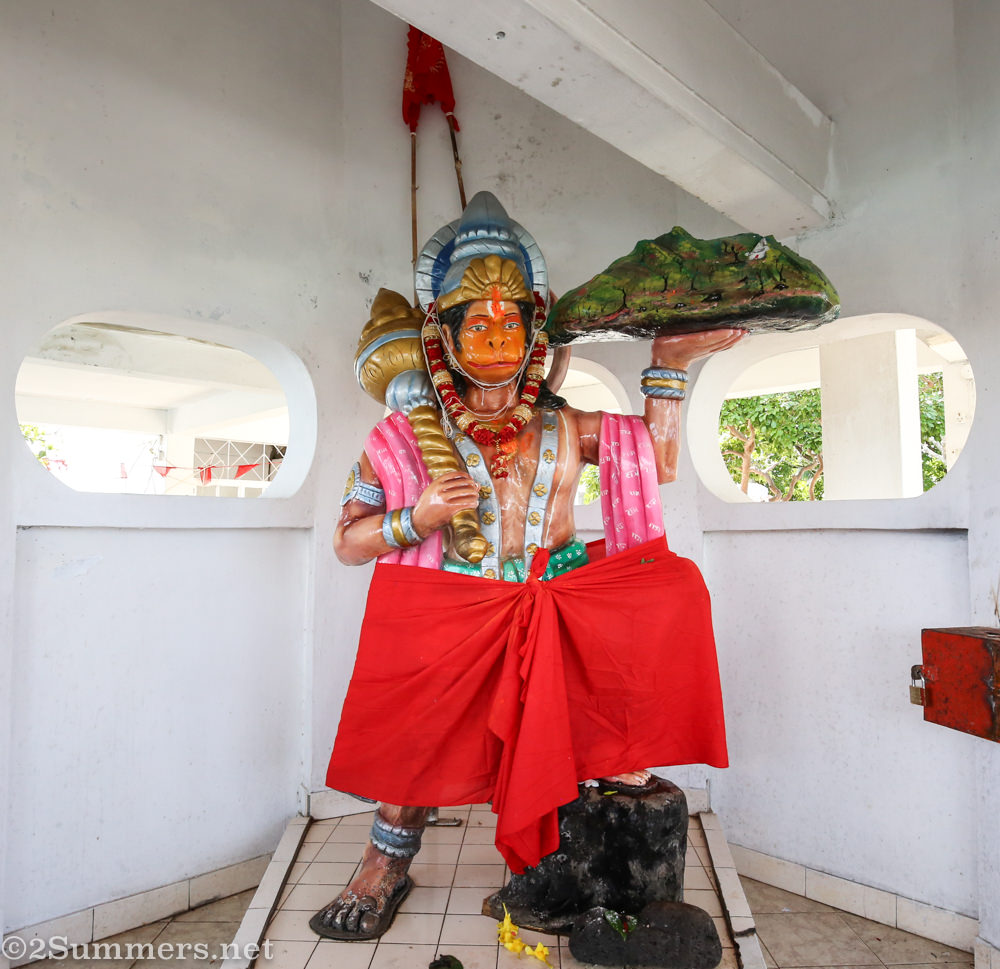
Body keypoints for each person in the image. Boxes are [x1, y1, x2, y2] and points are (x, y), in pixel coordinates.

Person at [311, 192, 742, 941]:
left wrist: (667, 364)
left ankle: (556, 861)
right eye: (475, 320)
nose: (495, 334)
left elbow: (658, 458)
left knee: (673, 589)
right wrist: (419, 518)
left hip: (551, 600)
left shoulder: (563, 424)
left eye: (510, 318)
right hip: (453, 608)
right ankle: (384, 865)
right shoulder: (406, 436)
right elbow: (348, 541)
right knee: (416, 741)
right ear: (440, 334)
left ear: (535, 332)